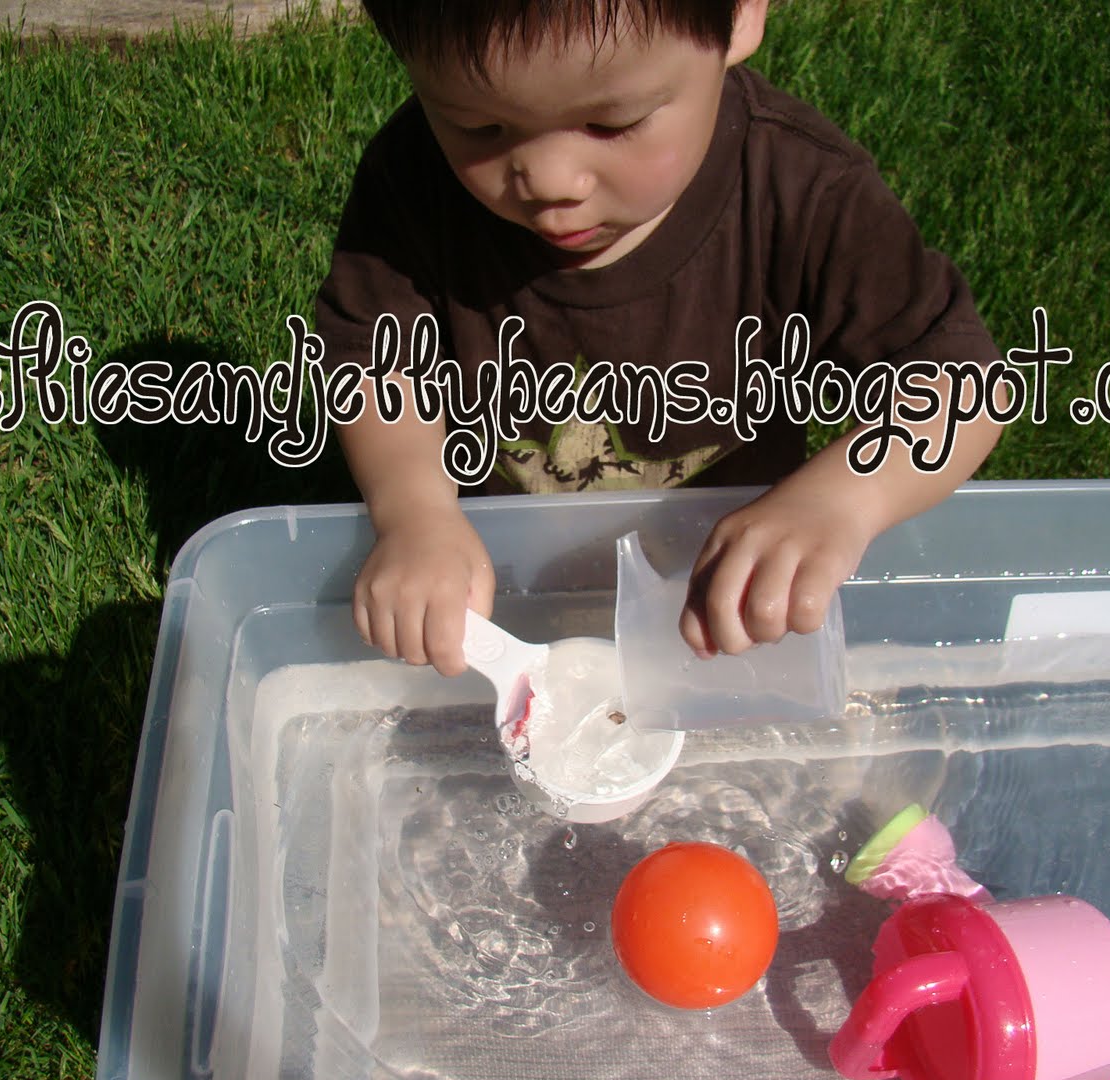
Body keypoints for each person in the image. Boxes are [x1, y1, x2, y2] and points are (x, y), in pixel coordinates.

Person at [314, 0, 1006, 678]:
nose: (551, 180)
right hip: (507, 598)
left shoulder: (800, 192)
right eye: (481, 126)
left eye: (613, 122)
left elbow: (963, 381)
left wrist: (842, 500)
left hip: (724, 607)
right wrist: (414, 512)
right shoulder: (414, 182)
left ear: (739, 16)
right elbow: (373, 363)